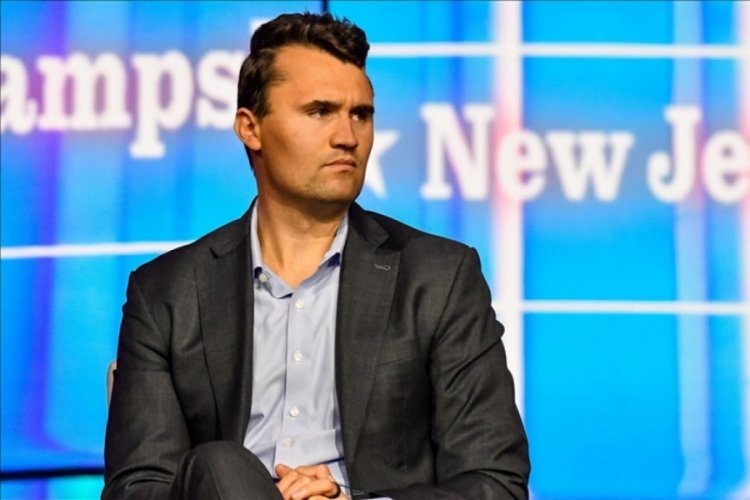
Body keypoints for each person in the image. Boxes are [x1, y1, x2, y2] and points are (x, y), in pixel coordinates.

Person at [103, 11, 530, 500]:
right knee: (221, 466)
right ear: (251, 128)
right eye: (320, 112)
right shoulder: (168, 293)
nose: (347, 136)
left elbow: (495, 483)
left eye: (361, 115)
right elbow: (137, 488)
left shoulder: (437, 279)